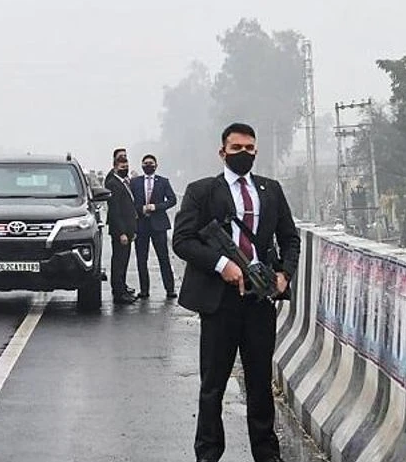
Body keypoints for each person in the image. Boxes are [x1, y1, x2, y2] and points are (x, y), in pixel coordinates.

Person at [172, 123, 300, 462]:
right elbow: (182, 240)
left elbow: (290, 237)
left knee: (260, 383)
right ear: (222, 152)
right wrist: (221, 265)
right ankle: (208, 454)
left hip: (260, 299)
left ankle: (267, 454)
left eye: (249, 148)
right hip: (219, 301)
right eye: (236, 148)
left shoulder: (270, 190)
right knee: (213, 385)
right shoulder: (201, 192)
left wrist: (284, 273)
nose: (243, 153)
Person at [130, 154, 177, 299]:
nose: (148, 165)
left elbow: (172, 200)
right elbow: (130, 203)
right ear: (142, 165)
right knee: (141, 259)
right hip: (141, 225)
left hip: (159, 225)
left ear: (156, 165)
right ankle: (144, 290)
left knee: (163, 258)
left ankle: (170, 289)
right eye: (145, 163)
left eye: (150, 163)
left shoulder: (163, 182)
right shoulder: (135, 182)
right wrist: (141, 209)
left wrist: (156, 207)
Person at [106, 155, 138, 305]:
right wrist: (122, 232)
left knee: (124, 261)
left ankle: (122, 288)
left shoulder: (124, 183)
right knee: (119, 261)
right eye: (121, 167)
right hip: (121, 231)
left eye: (126, 166)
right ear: (115, 167)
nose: (125, 169)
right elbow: (115, 211)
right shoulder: (114, 183)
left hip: (128, 229)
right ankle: (119, 293)